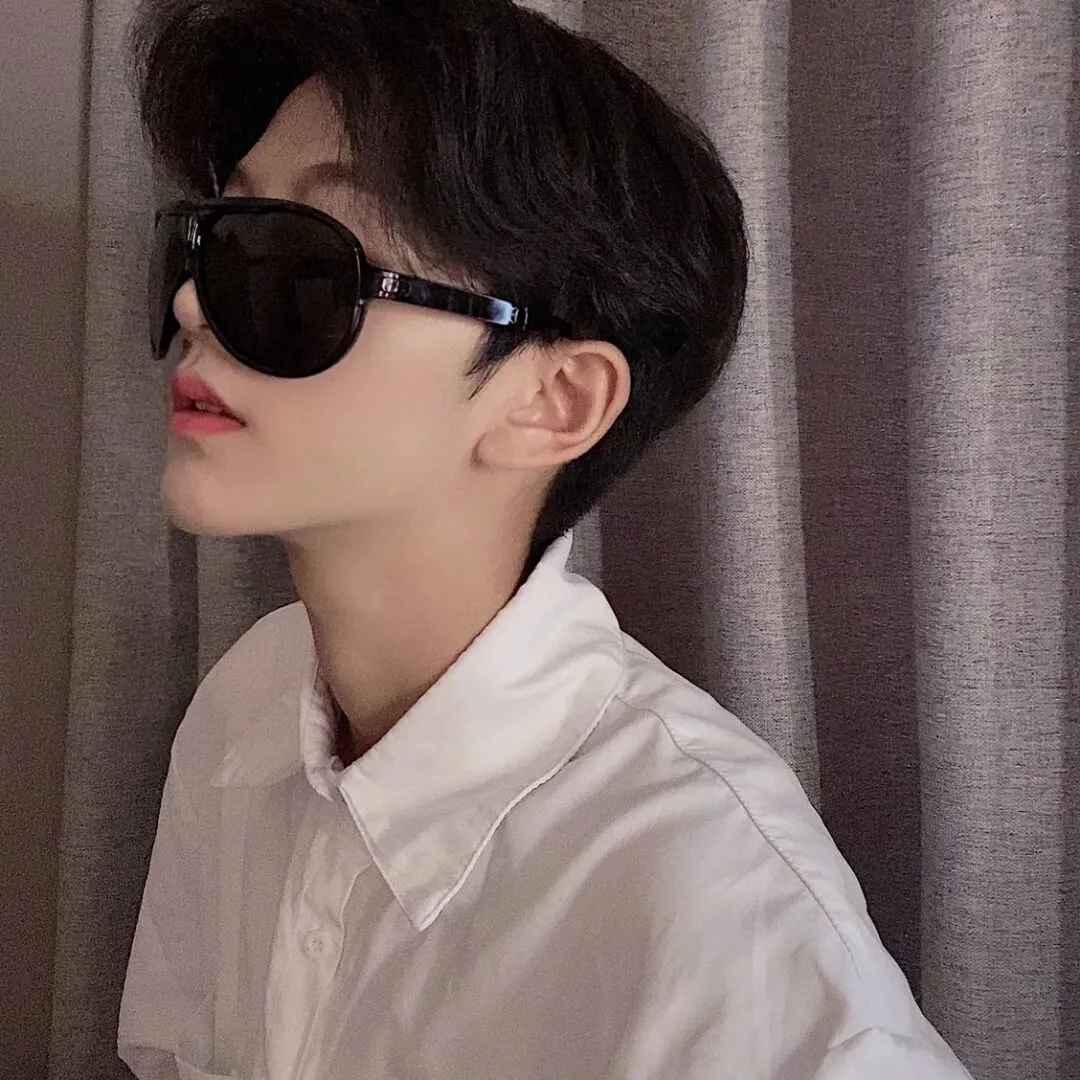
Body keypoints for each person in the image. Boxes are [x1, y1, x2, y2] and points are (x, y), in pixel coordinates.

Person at [117, 2, 974, 1078]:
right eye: (214, 240)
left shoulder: (724, 921)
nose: (195, 303)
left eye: (301, 265)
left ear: (553, 401)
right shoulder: (246, 711)